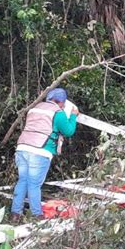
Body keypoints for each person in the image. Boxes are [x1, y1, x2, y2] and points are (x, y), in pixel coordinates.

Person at [11, 88, 79, 220]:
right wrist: (73, 116)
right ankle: (37, 216)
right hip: (40, 150)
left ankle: (15, 214)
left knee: (23, 181)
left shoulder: (35, 108)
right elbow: (69, 131)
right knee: (34, 184)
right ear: (62, 102)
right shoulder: (58, 113)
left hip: (22, 147)